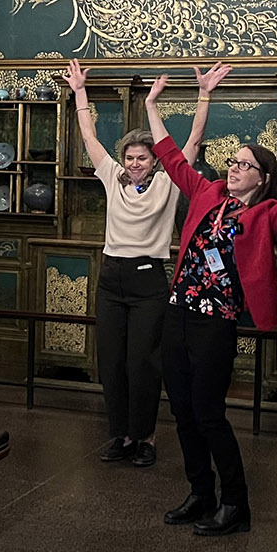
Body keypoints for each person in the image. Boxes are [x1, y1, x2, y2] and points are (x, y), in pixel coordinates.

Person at [145, 71, 277, 536]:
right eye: (233, 161)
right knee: (181, 413)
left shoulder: (265, 215)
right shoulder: (208, 193)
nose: (234, 167)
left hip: (215, 323)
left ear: (262, 180)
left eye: (244, 164)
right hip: (178, 312)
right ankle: (200, 494)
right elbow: (169, 156)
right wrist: (151, 105)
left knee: (208, 414)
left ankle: (235, 505)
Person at [62, 59, 232, 468]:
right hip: (111, 277)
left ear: (155, 160)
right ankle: (120, 434)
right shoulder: (112, 176)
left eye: (143, 157)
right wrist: (80, 92)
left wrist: (204, 94)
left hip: (149, 279)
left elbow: (193, 140)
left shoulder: (169, 182)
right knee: (112, 363)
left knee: (143, 363)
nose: (136, 162)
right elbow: (89, 138)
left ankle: (146, 437)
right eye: (131, 156)